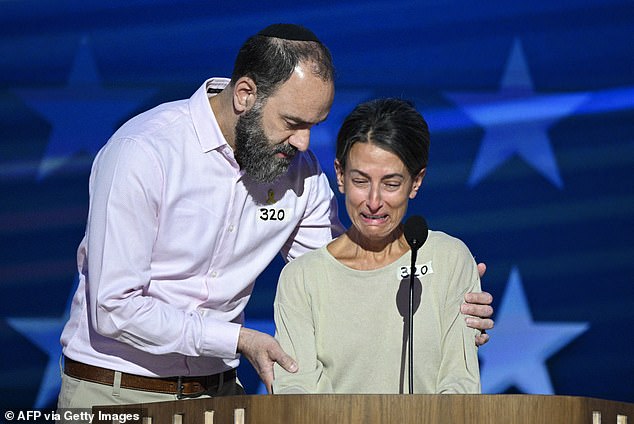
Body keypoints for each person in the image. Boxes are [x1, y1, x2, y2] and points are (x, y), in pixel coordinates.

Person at [57, 24, 492, 411]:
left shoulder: (300, 173)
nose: (303, 143)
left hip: (219, 396)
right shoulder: (144, 152)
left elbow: (341, 276)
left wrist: (446, 298)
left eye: (314, 124)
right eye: (292, 122)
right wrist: (237, 339)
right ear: (245, 94)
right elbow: (113, 307)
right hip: (116, 394)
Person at [273, 98, 481, 394]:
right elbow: (296, 393)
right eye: (360, 181)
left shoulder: (449, 259)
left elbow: (460, 385)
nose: (373, 201)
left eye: (391, 184)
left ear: (416, 182)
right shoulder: (301, 278)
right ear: (340, 176)